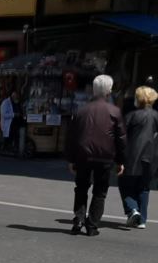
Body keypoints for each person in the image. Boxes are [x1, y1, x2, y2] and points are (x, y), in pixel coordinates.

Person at [66, 74, 126, 236]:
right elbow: (121, 139)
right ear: (109, 91)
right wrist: (121, 161)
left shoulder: (81, 111)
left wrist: (71, 159)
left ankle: (78, 219)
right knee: (100, 191)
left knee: (81, 187)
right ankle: (92, 225)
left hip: (83, 155)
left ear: (93, 90)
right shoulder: (114, 111)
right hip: (105, 156)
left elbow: (71, 136)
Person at [118, 86, 158, 229]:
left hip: (132, 156)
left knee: (125, 183)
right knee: (144, 187)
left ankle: (132, 210)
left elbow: (121, 137)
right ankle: (142, 219)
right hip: (152, 157)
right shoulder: (156, 115)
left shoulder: (132, 115)